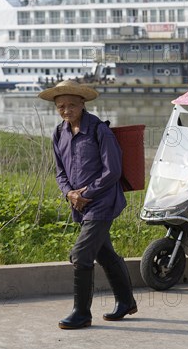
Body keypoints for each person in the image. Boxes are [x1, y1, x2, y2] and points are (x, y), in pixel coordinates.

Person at [38, 79, 137, 329]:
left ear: (83, 103)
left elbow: (112, 170)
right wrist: (69, 193)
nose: (66, 110)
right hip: (80, 203)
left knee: (81, 255)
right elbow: (59, 171)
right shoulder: (59, 133)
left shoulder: (98, 130)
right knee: (104, 252)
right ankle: (126, 302)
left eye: (71, 105)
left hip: (103, 202)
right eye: (61, 106)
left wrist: (86, 193)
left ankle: (81, 313)